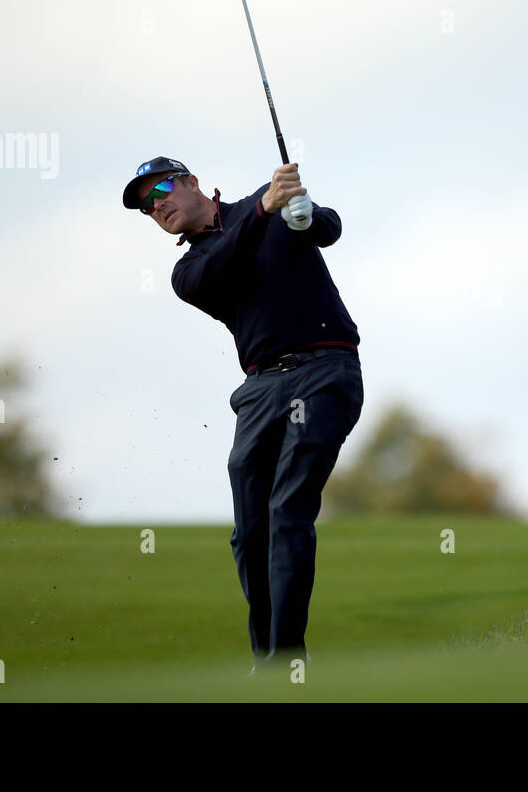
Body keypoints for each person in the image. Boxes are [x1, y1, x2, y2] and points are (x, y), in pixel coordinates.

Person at [122, 156, 363, 675]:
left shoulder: (267, 200)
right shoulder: (188, 271)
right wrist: (265, 209)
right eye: (145, 204)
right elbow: (226, 262)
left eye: (161, 188)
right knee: (249, 530)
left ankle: (287, 658)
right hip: (259, 390)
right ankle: (267, 659)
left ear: (191, 181)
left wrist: (302, 214)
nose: (155, 204)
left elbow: (330, 227)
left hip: (324, 370)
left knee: (287, 511)